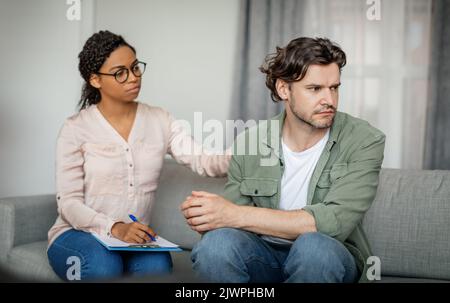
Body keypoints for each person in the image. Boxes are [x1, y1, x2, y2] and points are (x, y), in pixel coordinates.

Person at [181, 37, 385, 283]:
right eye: (315, 89)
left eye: (334, 87)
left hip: (327, 256)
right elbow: (229, 224)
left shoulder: (365, 140)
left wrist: (233, 214)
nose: (329, 100)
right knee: (216, 244)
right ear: (283, 89)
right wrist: (209, 217)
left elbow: (334, 223)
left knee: (313, 248)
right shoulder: (251, 141)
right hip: (263, 254)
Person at [47, 30, 230, 281]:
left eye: (135, 67)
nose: (133, 78)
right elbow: (68, 203)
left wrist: (248, 152)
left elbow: (204, 161)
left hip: (135, 236)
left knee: (157, 269)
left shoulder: (160, 119)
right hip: (78, 233)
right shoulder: (75, 128)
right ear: (95, 80)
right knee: (103, 268)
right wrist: (115, 228)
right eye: (120, 72)